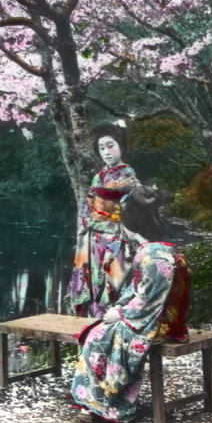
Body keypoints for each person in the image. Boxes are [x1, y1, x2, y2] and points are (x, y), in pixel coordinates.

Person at [69, 204, 190, 423]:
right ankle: (97, 402)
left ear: (131, 226)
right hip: (148, 313)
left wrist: (122, 314)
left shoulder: (156, 257)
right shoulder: (153, 249)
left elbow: (152, 298)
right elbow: (138, 288)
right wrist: (120, 307)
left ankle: (110, 405)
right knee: (99, 332)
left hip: (157, 319)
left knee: (101, 337)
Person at [68, 122, 147, 318]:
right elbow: (88, 206)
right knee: (92, 283)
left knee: (111, 285)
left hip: (114, 237)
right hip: (92, 237)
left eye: (111, 145)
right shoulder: (98, 177)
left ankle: (110, 330)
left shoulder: (127, 174)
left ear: (121, 146)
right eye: (102, 148)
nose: (106, 152)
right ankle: (91, 329)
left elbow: (137, 201)